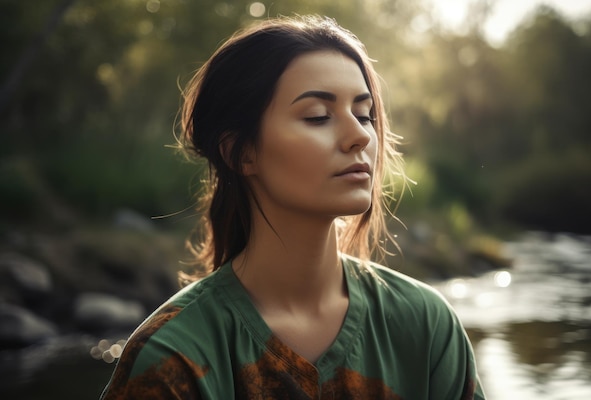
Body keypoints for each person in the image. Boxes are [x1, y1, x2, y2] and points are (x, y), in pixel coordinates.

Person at [100, 15, 486, 399]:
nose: (359, 136)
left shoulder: (424, 325)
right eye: (318, 117)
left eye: (364, 114)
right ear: (240, 152)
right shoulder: (174, 358)